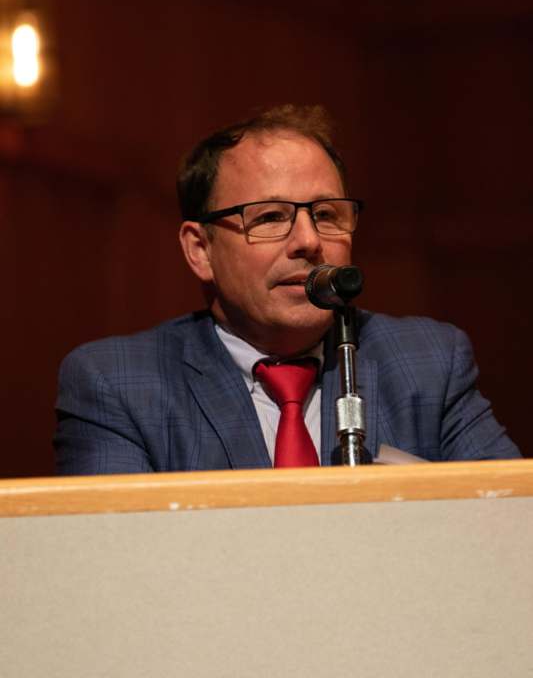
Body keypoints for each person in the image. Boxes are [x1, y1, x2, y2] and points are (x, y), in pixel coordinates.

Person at [54, 105, 521, 474]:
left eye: (326, 215)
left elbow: (505, 531)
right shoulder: (120, 384)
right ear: (200, 249)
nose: (309, 241)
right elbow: (119, 570)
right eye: (271, 217)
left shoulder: (427, 363)